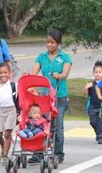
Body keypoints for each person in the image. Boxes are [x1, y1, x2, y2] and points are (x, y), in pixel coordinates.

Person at [28, 29, 71, 164]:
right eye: (47, 42)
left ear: (58, 43)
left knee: (57, 126)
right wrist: (30, 80)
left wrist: (59, 75)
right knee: (40, 123)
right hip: (43, 96)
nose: (49, 45)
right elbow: (34, 73)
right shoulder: (42, 57)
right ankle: (38, 153)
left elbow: (65, 73)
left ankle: (58, 153)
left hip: (59, 96)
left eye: (52, 42)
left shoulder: (65, 57)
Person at [82, 61, 102, 144]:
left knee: (101, 121)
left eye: (100, 72)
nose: (98, 74)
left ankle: (100, 137)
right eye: (96, 72)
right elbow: (85, 93)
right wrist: (86, 87)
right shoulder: (91, 83)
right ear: (93, 73)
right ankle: (99, 132)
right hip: (93, 105)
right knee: (93, 121)